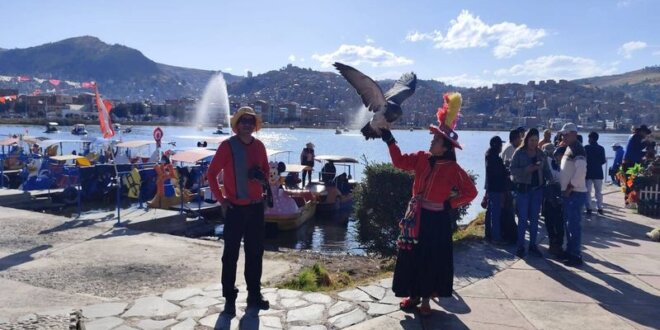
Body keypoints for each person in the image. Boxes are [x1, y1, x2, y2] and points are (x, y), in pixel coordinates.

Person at [386, 93, 477, 316]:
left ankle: (426, 299)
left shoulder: (453, 170)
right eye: (433, 137)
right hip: (415, 217)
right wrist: (390, 140)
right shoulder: (420, 158)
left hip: (436, 221)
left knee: (430, 259)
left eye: (436, 139)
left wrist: (449, 205)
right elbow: (399, 162)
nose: (431, 140)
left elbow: (471, 192)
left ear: (445, 147)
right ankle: (414, 295)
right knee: (412, 257)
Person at [206, 106, 271, 316]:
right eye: (243, 121)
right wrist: (222, 201)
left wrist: (261, 178)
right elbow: (212, 174)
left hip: (255, 208)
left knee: (255, 254)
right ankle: (229, 297)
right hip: (234, 209)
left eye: (250, 121)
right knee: (230, 255)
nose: (247, 125)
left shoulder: (260, 146)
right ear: (237, 124)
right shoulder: (227, 146)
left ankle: (254, 295)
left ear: (254, 126)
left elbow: (267, 171)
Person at [510, 128, 551, 258]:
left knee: (534, 219)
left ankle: (533, 245)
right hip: (523, 190)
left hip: (537, 190)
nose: (533, 143)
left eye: (536, 140)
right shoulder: (519, 153)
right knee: (522, 220)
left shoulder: (541, 154)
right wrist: (527, 170)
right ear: (526, 140)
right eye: (531, 140)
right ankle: (520, 246)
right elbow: (512, 170)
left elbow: (546, 170)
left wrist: (553, 182)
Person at [558, 123, 587, 267]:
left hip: (574, 193)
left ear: (574, 134)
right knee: (569, 225)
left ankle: (575, 255)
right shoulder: (571, 148)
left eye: (566, 134)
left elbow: (581, 170)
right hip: (570, 193)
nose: (563, 136)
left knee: (573, 225)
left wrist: (570, 186)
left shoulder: (577, 149)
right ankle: (570, 252)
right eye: (563, 134)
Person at [484, 136, 508, 244]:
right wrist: (506, 169)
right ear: (497, 146)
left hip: (490, 187)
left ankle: (489, 234)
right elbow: (500, 174)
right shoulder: (496, 159)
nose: (501, 147)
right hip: (496, 189)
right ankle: (496, 238)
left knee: (490, 212)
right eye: (500, 145)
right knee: (496, 214)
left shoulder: (488, 156)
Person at [543, 146, 566, 257]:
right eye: (555, 155)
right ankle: (552, 244)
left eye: (559, 155)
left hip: (561, 197)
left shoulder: (567, 167)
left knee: (559, 224)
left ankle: (558, 245)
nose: (557, 157)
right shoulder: (549, 162)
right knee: (549, 222)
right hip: (549, 196)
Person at [622, 125, 652, 205]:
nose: (645, 135)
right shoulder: (636, 137)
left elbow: (637, 150)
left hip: (629, 161)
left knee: (629, 181)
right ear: (641, 131)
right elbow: (638, 149)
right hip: (630, 162)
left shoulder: (633, 136)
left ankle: (629, 200)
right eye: (645, 133)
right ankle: (628, 201)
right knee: (630, 181)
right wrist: (647, 144)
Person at [584, 132, 606, 216]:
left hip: (588, 173)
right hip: (598, 172)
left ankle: (589, 208)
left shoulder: (586, 148)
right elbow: (603, 161)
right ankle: (599, 208)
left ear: (591, 138)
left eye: (589, 138)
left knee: (587, 192)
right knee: (598, 192)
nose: (588, 140)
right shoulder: (601, 148)